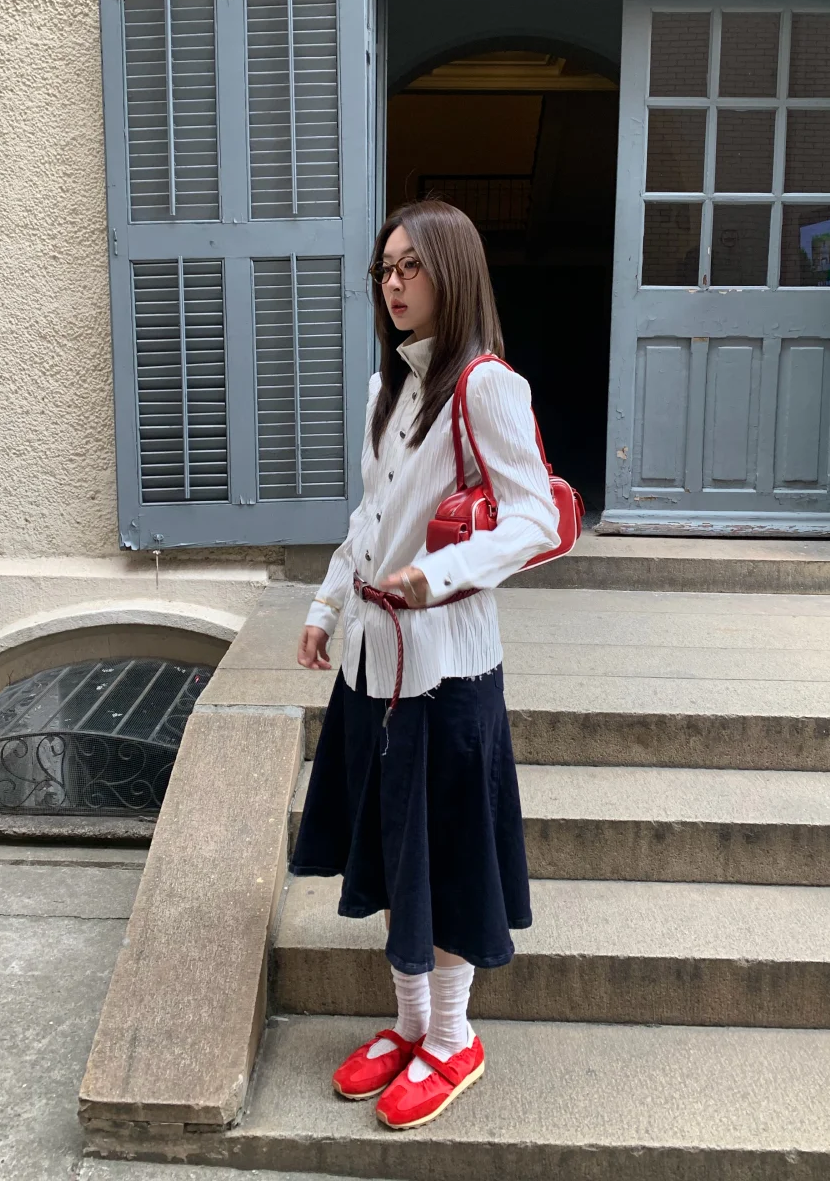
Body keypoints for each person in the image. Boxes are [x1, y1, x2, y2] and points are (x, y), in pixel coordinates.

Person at [290, 199, 560, 1131]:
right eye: (385, 268)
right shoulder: (388, 389)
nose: (393, 283)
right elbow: (369, 522)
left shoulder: (487, 387)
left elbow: (536, 517)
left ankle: (453, 1037)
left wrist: (436, 575)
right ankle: (409, 1026)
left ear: (453, 272)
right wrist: (327, 607)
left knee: (442, 854)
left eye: (411, 266)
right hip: (372, 664)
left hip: (447, 670)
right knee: (389, 846)